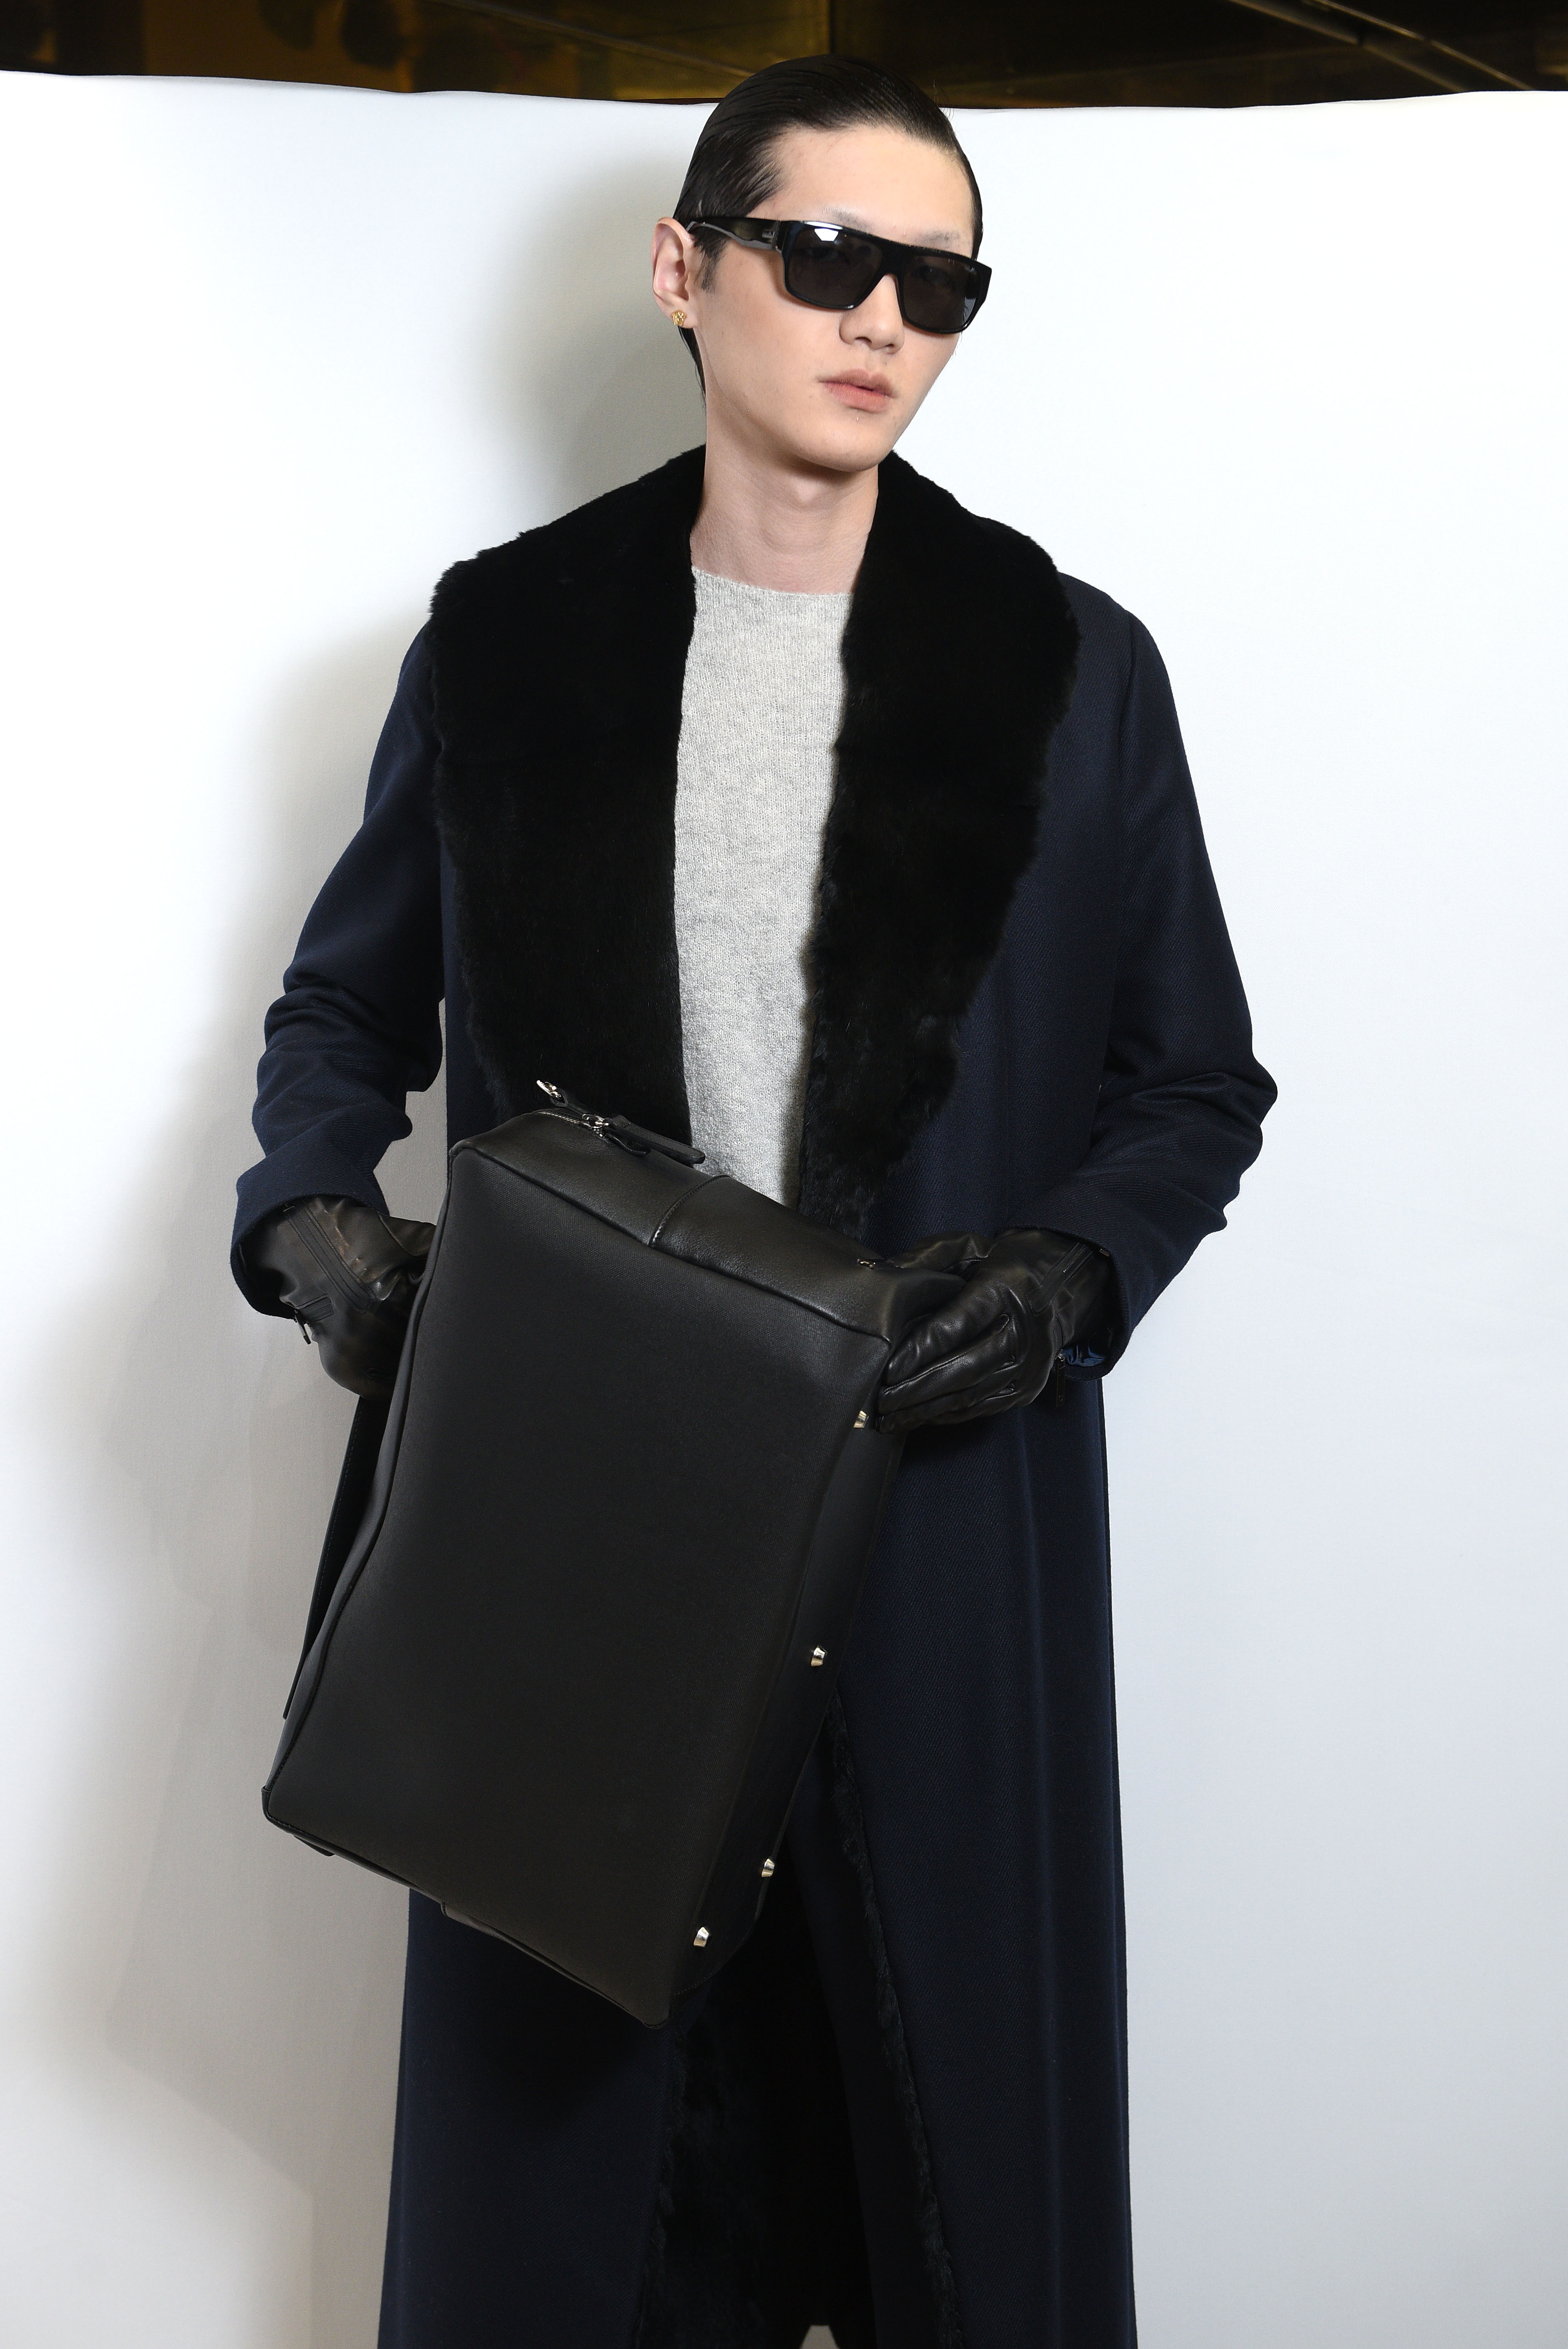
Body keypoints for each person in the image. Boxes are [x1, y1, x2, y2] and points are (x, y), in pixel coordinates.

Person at [233, 53, 1274, 2349]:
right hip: (573, 1526)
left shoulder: (1071, 670)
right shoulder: (508, 644)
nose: (881, 317)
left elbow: (1194, 1081)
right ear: (686, 268)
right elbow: (343, 1012)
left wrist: (1066, 1274)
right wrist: (317, 1225)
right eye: (826, 257)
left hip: (936, 1515)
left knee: (948, 2187)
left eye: (940, 283)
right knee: (570, 2211)